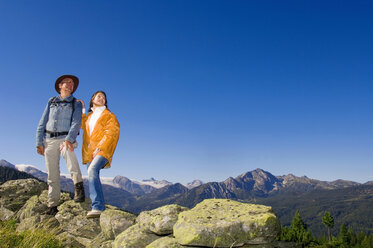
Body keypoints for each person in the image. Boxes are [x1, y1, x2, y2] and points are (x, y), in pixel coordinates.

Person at [36, 75, 85, 215]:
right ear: (60, 85)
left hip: (65, 138)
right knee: (52, 173)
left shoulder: (75, 103)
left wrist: (69, 139)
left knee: (69, 156)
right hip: (49, 140)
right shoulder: (51, 101)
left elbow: (76, 123)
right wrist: (39, 142)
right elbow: (42, 121)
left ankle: (79, 187)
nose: (70, 85)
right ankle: (52, 205)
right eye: (67, 83)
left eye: (72, 83)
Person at [78, 91, 120, 218]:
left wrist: (100, 147)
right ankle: (99, 206)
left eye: (104, 97)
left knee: (92, 170)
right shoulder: (89, 117)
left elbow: (112, 132)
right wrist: (82, 109)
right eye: (99, 96)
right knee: (92, 173)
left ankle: (97, 207)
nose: (102, 98)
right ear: (93, 99)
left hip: (103, 149)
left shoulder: (109, 115)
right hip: (89, 152)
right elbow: (80, 125)